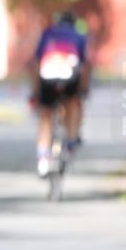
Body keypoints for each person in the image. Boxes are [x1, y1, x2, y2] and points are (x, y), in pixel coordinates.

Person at [31, 10, 90, 177]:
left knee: (46, 114)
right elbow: (85, 66)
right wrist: (83, 90)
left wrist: (36, 91)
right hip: (69, 74)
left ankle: (43, 159)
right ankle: (70, 143)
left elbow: (36, 62)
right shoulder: (79, 35)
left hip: (47, 73)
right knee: (72, 103)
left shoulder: (47, 32)